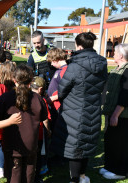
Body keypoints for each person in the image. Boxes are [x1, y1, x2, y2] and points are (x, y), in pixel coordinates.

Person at [50, 32, 108, 183]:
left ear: (79, 46)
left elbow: (62, 90)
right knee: (86, 142)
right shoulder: (102, 63)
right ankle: (82, 176)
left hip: (74, 110)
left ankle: (75, 179)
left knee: (75, 147)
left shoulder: (74, 66)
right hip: (93, 107)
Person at [0, 64, 47, 183]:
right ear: (31, 80)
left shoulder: (5, 98)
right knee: (29, 176)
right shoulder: (38, 99)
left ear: (14, 79)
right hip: (30, 145)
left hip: (12, 145)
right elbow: (44, 118)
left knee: (14, 177)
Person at [101, 43, 128, 180]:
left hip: (121, 115)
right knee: (110, 140)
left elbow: (125, 95)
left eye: (115, 52)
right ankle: (110, 166)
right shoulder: (117, 68)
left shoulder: (127, 70)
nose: (113, 54)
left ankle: (120, 171)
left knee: (120, 143)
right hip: (111, 111)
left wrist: (116, 114)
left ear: (121, 55)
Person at [30, 76, 51, 182]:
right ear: (41, 89)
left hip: (27, 133)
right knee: (38, 156)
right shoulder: (42, 100)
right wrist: (48, 131)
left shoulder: (25, 97)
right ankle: (37, 177)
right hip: (39, 133)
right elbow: (46, 119)